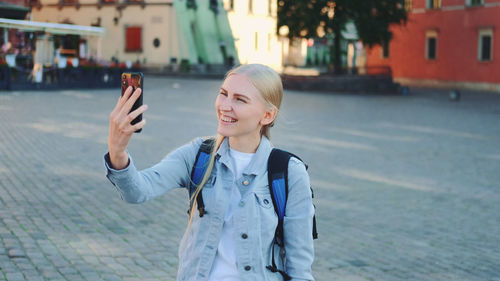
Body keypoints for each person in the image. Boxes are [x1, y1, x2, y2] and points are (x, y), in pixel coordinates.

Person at [104, 64, 315, 281]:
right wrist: (117, 151)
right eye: (223, 94)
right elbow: (137, 191)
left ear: (268, 115)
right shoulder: (198, 155)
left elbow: (300, 270)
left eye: (239, 99)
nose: (225, 106)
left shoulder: (289, 173)